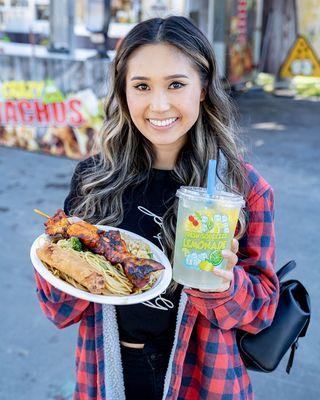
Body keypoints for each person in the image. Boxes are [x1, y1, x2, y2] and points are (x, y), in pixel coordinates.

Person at [34, 16, 279, 400]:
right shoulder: (95, 181)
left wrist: (226, 282)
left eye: (176, 84)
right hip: (108, 373)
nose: (158, 104)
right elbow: (59, 311)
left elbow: (261, 313)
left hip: (204, 376)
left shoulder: (242, 190)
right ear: (123, 91)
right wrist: (61, 259)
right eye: (142, 86)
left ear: (202, 88)